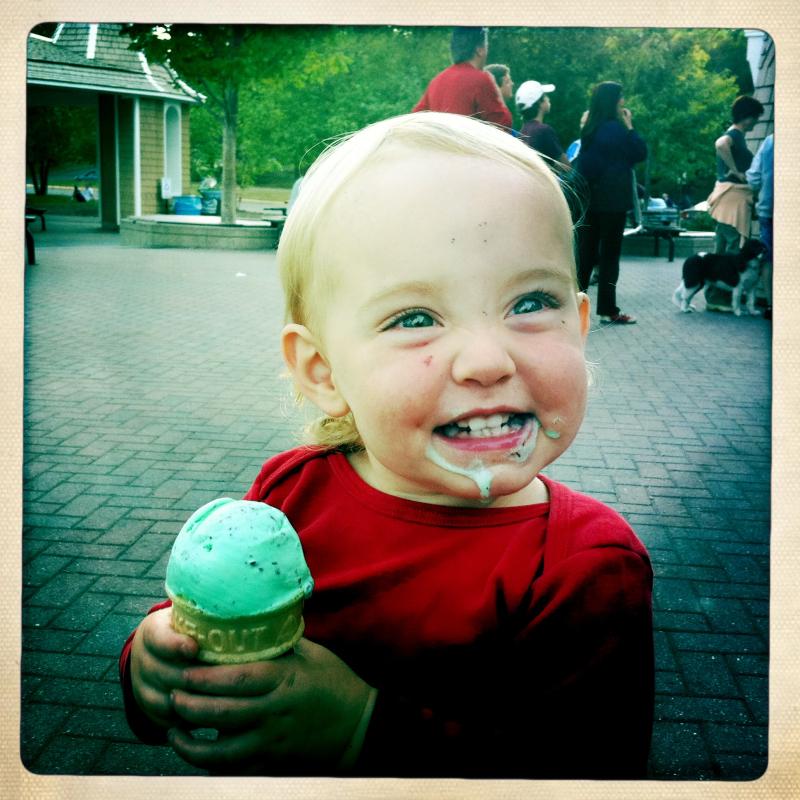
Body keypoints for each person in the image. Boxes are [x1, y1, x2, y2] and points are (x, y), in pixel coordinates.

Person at [118, 112, 654, 779]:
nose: (487, 360)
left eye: (530, 303)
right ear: (323, 372)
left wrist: (361, 729)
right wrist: (151, 665)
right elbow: (196, 651)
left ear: (579, 323)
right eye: (415, 318)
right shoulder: (290, 492)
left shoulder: (585, 568)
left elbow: (589, 774)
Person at [574, 81, 647, 325]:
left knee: (585, 255)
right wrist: (630, 126)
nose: (623, 102)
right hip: (613, 202)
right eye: (620, 98)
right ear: (613, 101)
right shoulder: (616, 129)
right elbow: (640, 153)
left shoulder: (589, 129)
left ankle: (575, 306)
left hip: (590, 199)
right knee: (609, 257)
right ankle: (608, 309)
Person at [704, 95, 764, 311]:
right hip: (733, 200)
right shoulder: (735, 135)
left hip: (728, 199)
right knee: (730, 249)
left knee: (721, 247)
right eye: (755, 117)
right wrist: (736, 171)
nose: (756, 122)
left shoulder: (737, 135)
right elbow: (720, 143)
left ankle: (714, 295)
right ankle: (719, 297)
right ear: (747, 116)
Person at [413, 27, 512, 129]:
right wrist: (496, 90)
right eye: (486, 46)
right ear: (480, 50)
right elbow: (503, 125)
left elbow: (415, 120)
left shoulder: (436, 81)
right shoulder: (481, 80)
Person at [746, 133, 774, 319]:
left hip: (768, 209)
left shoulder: (770, 141)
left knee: (769, 257)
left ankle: (772, 305)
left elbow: (753, 177)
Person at [516, 80, 570, 169]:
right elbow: (566, 167)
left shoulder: (520, 133)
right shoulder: (544, 130)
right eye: (545, 96)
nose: (548, 99)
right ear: (539, 103)